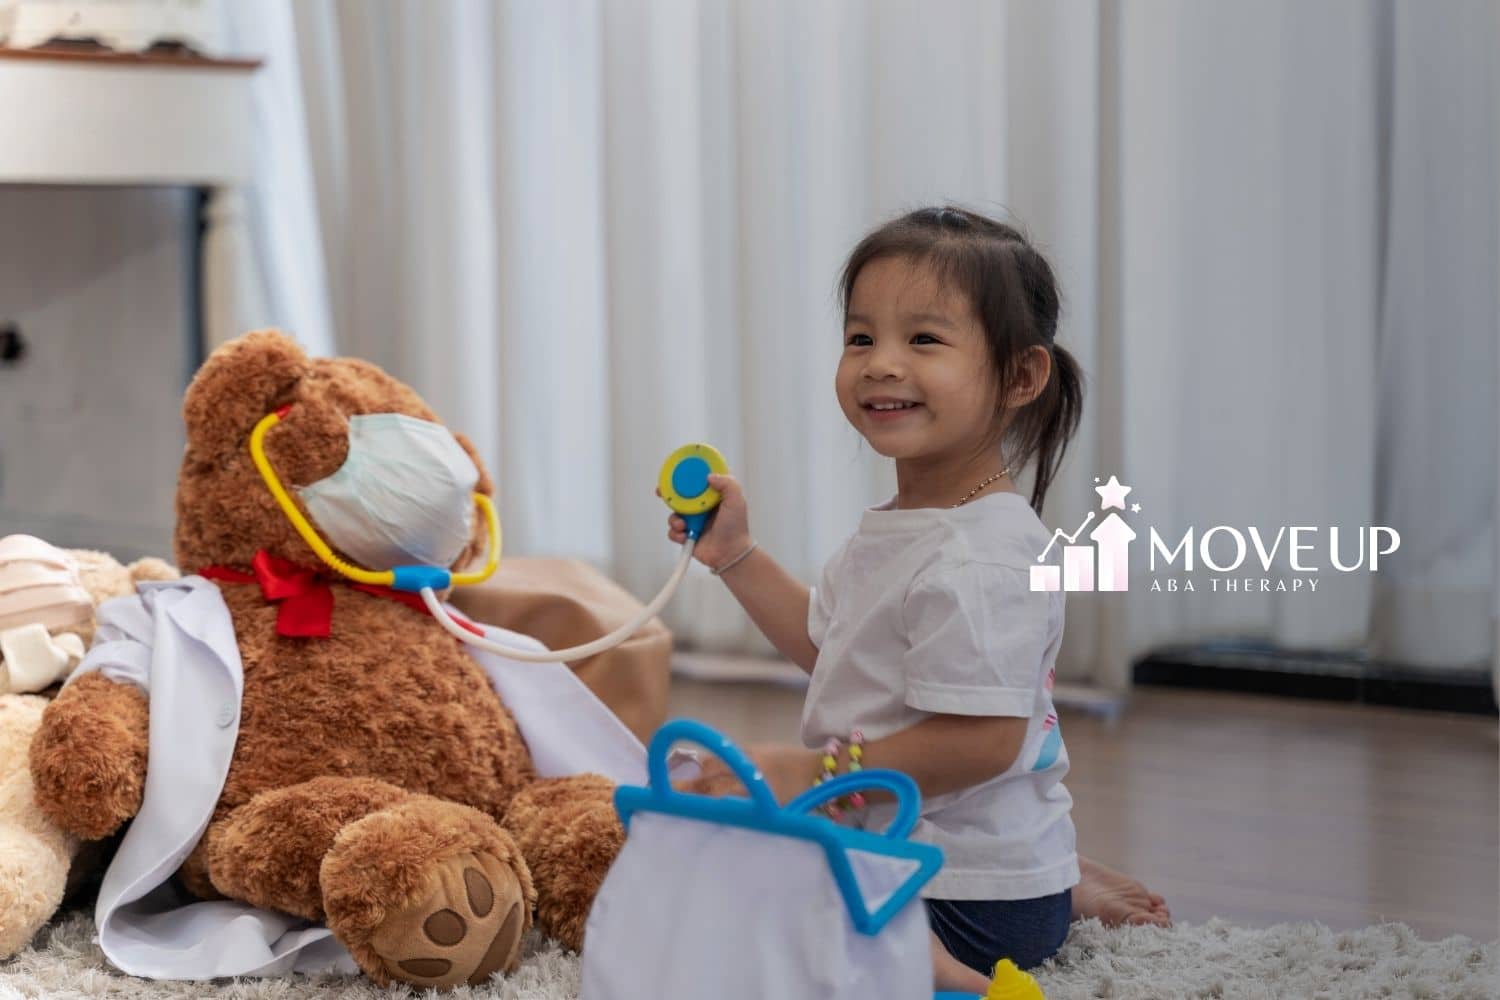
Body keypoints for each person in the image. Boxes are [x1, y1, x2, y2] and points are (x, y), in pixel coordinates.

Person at [668, 207, 1168, 993]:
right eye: (861, 338)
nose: (879, 364)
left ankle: (982, 948)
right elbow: (833, 646)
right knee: (716, 853)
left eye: (923, 340)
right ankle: (1056, 877)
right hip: (908, 846)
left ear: (1020, 377)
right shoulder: (907, 530)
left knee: (742, 919)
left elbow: (983, 742)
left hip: (967, 895)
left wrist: (812, 771)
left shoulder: (982, 556)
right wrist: (733, 556)